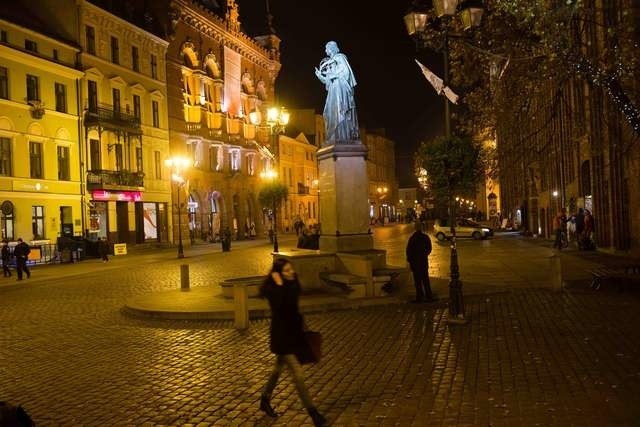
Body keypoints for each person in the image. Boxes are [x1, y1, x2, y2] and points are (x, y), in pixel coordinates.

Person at [259, 259, 326, 426]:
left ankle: (264, 399)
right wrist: (280, 285)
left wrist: (285, 284)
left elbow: (293, 301)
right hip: (282, 337)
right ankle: (313, 413)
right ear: (278, 274)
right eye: (286, 271)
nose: (291, 273)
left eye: (291, 270)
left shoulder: (293, 283)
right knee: (298, 376)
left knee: (277, 370)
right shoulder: (272, 289)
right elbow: (281, 307)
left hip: (294, 334)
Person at [315, 41, 359, 144]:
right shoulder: (331, 61)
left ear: (332, 48)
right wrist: (320, 76)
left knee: (339, 110)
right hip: (333, 89)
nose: (326, 51)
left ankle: (342, 135)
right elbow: (328, 82)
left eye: (327, 48)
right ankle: (335, 135)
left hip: (340, 89)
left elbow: (346, 72)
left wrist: (331, 74)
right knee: (329, 111)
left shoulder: (339, 57)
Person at [405, 222, 433, 302]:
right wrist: (425, 254)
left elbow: (408, 251)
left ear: (415, 228)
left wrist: (410, 260)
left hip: (415, 263)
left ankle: (419, 296)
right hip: (423, 261)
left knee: (417, 281)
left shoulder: (412, 238)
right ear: (421, 228)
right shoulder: (425, 237)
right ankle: (429, 295)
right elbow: (429, 248)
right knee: (425, 279)